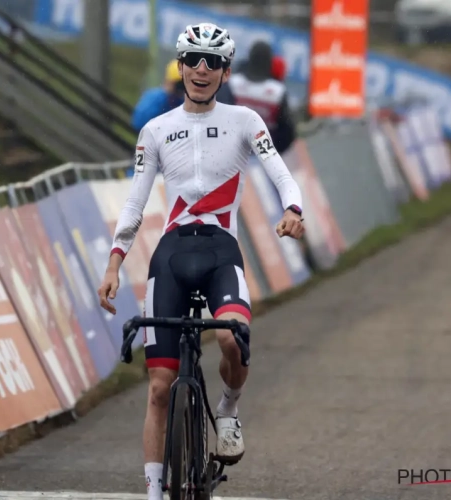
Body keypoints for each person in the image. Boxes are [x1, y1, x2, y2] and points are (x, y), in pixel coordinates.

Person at [96, 22, 306, 500]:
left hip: (219, 250)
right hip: (170, 255)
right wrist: (113, 263)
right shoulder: (155, 130)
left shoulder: (246, 121)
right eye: (193, 59)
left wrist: (293, 210)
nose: (202, 69)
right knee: (159, 387)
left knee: (233, 339)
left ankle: (228, 412)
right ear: (181, 65)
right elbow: (134, 205)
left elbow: (282, 176)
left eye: (213, 62)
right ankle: (155, 493)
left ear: (226, 70)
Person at [132, 59, 236, 132]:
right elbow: (139, 122)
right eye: (179, 83)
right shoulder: (155, 98)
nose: (182, 87)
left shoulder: (188, 100)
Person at [229, 41, 295, 155]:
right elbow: (287, 132)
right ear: (270, 61)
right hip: (262, 152)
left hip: (231, 146)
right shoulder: (277, 91)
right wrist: (270, 152)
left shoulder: (233, 83)